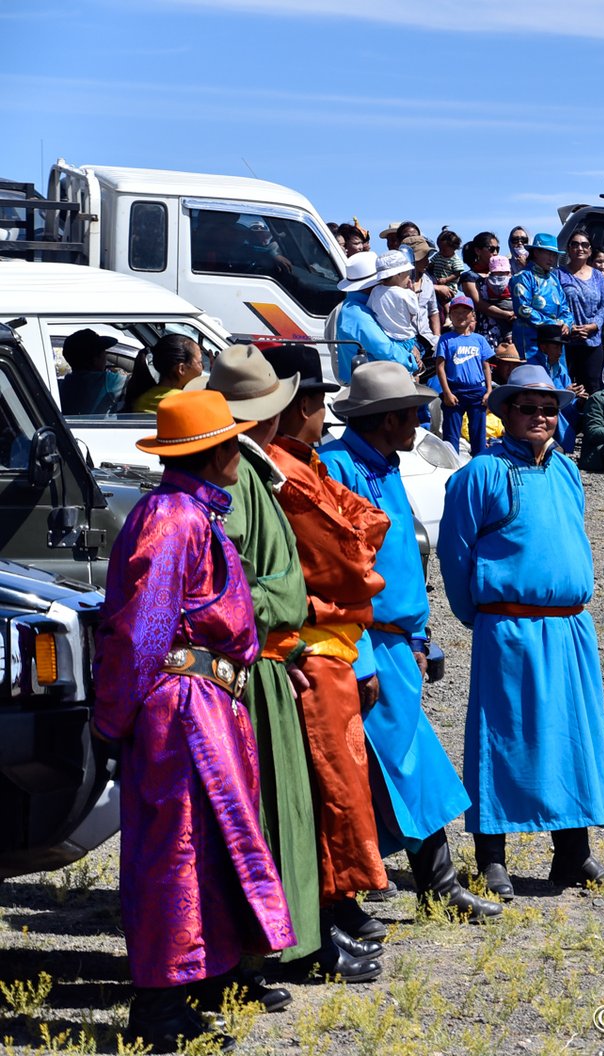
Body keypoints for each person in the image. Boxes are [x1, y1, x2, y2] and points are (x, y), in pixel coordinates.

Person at [97, 390, 296, 1051]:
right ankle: (159, 1008)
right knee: (174, 853)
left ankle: (195, 989)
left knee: (204, 851)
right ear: (215, 454)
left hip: (203, 705)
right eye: (232, 443)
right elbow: (142, 629)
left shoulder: (190, 512)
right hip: (182, 710)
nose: (239, 453)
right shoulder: (173, 518)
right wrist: (112, 719)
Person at [198, 346, 364, 987]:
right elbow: (227, 579)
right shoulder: (237, 478)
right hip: (248, 670)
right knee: (263, 812)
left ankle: (289, 944)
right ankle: (266, 954)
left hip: (267, 658)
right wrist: (274, 631)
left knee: (283, 809)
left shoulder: (251, 470)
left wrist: (287, 643)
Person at [320, 363, 501, 923]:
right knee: (387, 765)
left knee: (398, 763)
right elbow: (338, 573)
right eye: (412, 414)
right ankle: (408, 888)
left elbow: (402, 562)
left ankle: (419, 884)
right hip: (362, 642)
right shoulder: (337, 469)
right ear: (387, 419)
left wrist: (420, 636)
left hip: (394, 643)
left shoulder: (384, 465)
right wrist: (361, 655)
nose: (419, 422)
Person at [437, 365, 604, 896]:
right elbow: (455, 554)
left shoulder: (567, 469)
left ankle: (573, 853)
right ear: (506, 412)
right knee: (502, 737)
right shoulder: (480, 474)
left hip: (570, 628)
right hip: (509, 626)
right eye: (528, 407)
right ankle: (491, 856)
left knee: (572, 738)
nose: (541, 416)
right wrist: (482, 617)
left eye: (549, 408)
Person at [259, 344, 395, 954]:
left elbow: (365, 522)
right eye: (317, 401)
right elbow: (349, 556)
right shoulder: (284, 472)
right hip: (311, 645)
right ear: (299, 405)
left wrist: (357, 535)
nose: (323, 413)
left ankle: (337, 899)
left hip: (328, 641)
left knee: (339, 779)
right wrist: (357, 539)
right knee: (328, 781)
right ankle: (326, 905)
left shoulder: (302, 464)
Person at [331, 251, 419, 383]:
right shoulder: (357, 314)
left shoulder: (357, 307)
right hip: (371, 384)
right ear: (372, 285)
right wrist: (411, 359)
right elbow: (384, 349)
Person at [437, 296, 495, 456]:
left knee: (478, 433)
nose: (460, 316)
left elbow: (486, 366)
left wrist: (489, 391)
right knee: (451, 435)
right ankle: (452, 464)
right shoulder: (445, 339)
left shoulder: (479, 340)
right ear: (450, 316)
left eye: (465, 312)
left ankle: (479, 462)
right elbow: (440, 367)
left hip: (477, 390)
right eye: (456, 312)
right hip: (455, 390)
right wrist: (447, 393)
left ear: (473, 315)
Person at [558, 228, 604, 392]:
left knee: (592, 388)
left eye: (584, 245)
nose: (579, 248)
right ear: (568, 249)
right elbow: (555, 304)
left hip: (593, 340)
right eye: (575, 244)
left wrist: (594, 325)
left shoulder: (598, 276)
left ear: (590, 250)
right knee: (568, 387)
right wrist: (570, 326)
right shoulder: (558, 274)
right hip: (567, 341)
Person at [511, 233, 573, 356]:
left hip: (555, 341)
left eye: (554, 255)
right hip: (531, 342)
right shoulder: (523, 277)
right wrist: (553, 324)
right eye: (548, 253)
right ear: (535, 252)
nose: (551, 258)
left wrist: (566, 323)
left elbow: (565, 307)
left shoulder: (554, 279)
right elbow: (523, 309)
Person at [531, 323, 588, 454]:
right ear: (543, 347)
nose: (560, 352)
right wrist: (565, 393)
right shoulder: (532, 366)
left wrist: (579, 400)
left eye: (561, 347)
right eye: (556, 347)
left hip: (561, 412)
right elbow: (537, 395)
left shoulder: (560, 369)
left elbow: (570, 398)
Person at [124, 333, 203, 412]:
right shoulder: (188, 402)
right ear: (181, 369)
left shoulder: (142, 399)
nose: (203, 367)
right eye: (199, 362)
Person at [59, 328, 127, 414]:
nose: (106, 356)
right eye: (104, 352)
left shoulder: (65, 384)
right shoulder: (106, 381)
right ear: (95, 359)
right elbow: (137, 382)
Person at [462, 233, 514, 347]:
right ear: (478, 251)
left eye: (497, 249)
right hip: (485, 330)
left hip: (509, 329)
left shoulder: (504, 274)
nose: (495, 253)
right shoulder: (469, 277)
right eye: (491, 249)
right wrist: (506, 314)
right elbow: (479, 304)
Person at [368, 250, 429, 343]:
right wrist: (412, 293)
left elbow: (371, 308)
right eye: (407, 273)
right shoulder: (407, 294)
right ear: (399, 274)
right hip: (406, 339)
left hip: (385, 337)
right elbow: (414, 313)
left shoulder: (375, 291)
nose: (409, 277)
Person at [402, 236, 441, 339]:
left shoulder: (428, 281)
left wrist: (437, 336)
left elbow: (433, 311)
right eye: (424, 257)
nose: (427, 261)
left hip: (427, 338)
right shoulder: (397, 282)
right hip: (405, 339)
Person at [429, 228, 466, 310]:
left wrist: (446, 279)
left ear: (454, 248)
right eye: (440, 249)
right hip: (437, 281)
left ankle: (448, 313)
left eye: (444, 250)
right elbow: (431, 263)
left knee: (444, 300)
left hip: (449, 285)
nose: (441, 251)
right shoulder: (438, 255)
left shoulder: (455, 260)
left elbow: (457, 273)